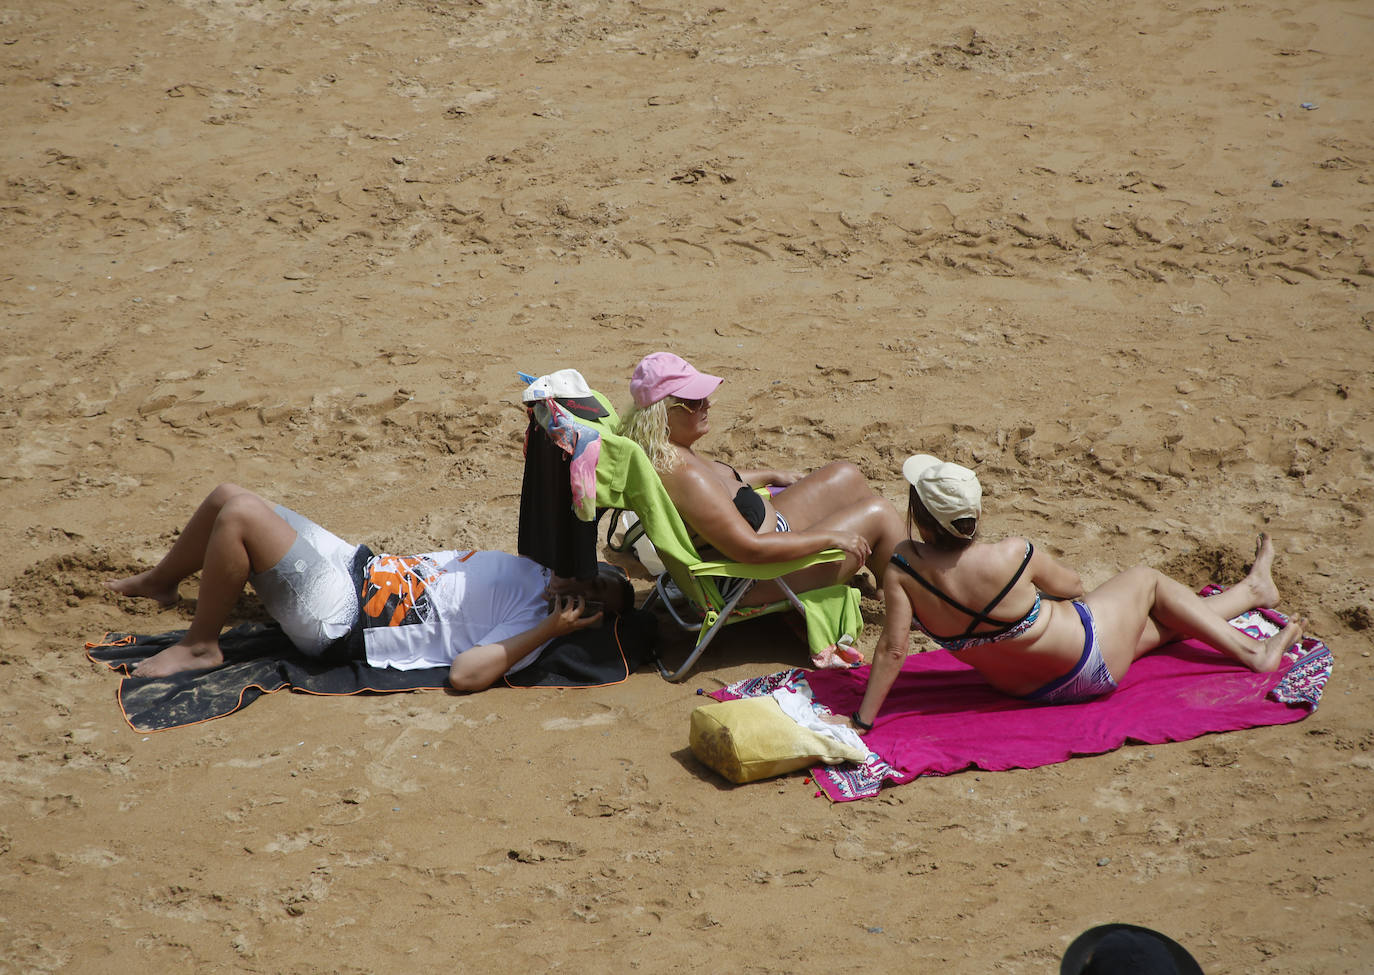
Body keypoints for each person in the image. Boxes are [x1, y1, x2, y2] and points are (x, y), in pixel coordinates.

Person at [850, 455, 1304, 731]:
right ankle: (1253, 653)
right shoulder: (1013, 554)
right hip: (1090, 663)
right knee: (1146, 581)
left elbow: (892, 649)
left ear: (922, 518)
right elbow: (1074, 588)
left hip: (1027, 690)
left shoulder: (904, 569)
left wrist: (862, 722)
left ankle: (1253, 590)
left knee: (1164, 626)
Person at [104, 483, 634, 690]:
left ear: (581, 611)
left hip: (342, 615)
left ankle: (201, 646)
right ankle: (162, 581)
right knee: (227, 496)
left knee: (241, 516)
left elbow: (467, 675)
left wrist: (548, 629)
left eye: (595, 590)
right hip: (357, 564)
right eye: (598, 572)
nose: (588, 577)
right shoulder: (542, 567)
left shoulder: (532, 623)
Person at [618, 352, 907, 664]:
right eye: (693, 401)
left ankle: (885, 587)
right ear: (661, 414)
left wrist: (770, 476)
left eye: (704, 396)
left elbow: (724, 480)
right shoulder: (686, 477)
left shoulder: (665, 452)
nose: (707, 405)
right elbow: (751, 549)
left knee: (845, 475)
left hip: (767, 536)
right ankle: (906, 599)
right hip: (751, 576)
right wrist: (831, 538)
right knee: (879, 513)